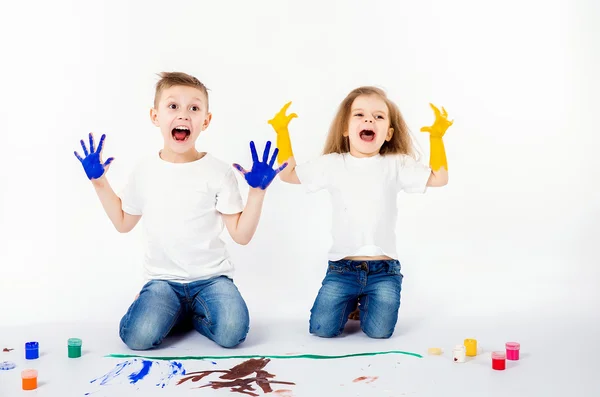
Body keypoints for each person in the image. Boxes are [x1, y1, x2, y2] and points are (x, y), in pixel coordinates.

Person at [74, 72, 287, 350]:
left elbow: (241, 235)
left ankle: (190, 318)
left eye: (194, 108)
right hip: (164, 281)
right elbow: (124, 222)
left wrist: (257, 193)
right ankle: (166, 309)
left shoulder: (219, 172)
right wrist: (99, 182)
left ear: (206, 121)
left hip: (211, 280)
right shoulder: (144, 171)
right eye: (173, 106)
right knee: (138, 337)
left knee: (233, 332)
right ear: (155, 116)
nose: (183, 115)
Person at [267, 86, 452, 338]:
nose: (368, 120)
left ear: (388, 133)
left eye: (378, 116)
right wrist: (281, 131)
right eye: (359, 115)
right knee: (321, 329)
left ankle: (364, 300)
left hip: (384, 270)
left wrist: (437, 139)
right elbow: (288, 175)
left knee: (378, 333)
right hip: (342, 269)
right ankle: (353, 300)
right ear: (345, 129)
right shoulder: (333, 163)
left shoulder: (396, 163)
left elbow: (439, 178)